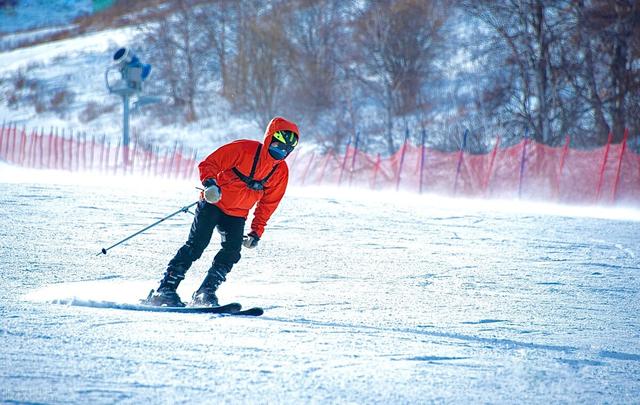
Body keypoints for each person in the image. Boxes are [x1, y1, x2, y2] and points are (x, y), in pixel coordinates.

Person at [145, 116, 300, 307]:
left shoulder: (280, 172)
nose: (280, 152)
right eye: (277, 146)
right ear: (269, 139)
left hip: (237, 214)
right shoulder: (244, 149)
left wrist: (256, 232)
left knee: (232, 252)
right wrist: (210, 184)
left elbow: (268, 204)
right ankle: (165, 290)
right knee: (196, 245)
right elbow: (209, 164)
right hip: (213, 203)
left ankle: (205, 292)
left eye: (286, 150)